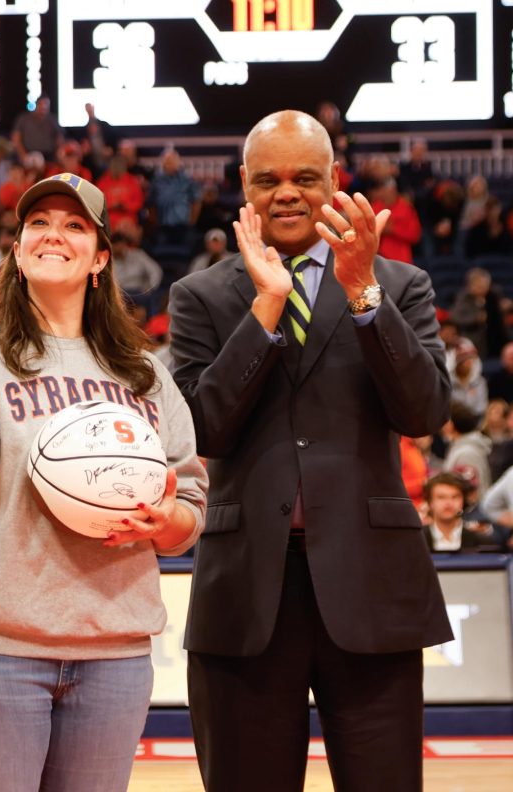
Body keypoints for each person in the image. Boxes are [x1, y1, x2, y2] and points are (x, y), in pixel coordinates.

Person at [169, 110, 452, 792]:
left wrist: (363, 295)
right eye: (268, 179)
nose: (286, 192)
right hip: (244, 595)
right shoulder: (200, 296)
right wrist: (265, 308)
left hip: (372, 586)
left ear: (334, 182)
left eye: (305, 177)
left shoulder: (398, 284)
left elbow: (424, 412)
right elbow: (203, 429)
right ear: (244, 184)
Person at [0, 173, 208, 792]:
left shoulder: (146, 374)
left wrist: (167, 521)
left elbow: (189, 510)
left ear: (100, 258)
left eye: (75, 226)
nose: (53, 235)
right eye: (37, 224)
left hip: (114, 654)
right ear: (16, 252)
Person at [422, 472, 507, 553]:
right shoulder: (415, 539)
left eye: (455, 497)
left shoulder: (483, 541)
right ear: (430, 502)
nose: (448, 503)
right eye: (441, 497)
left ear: (463, 501)